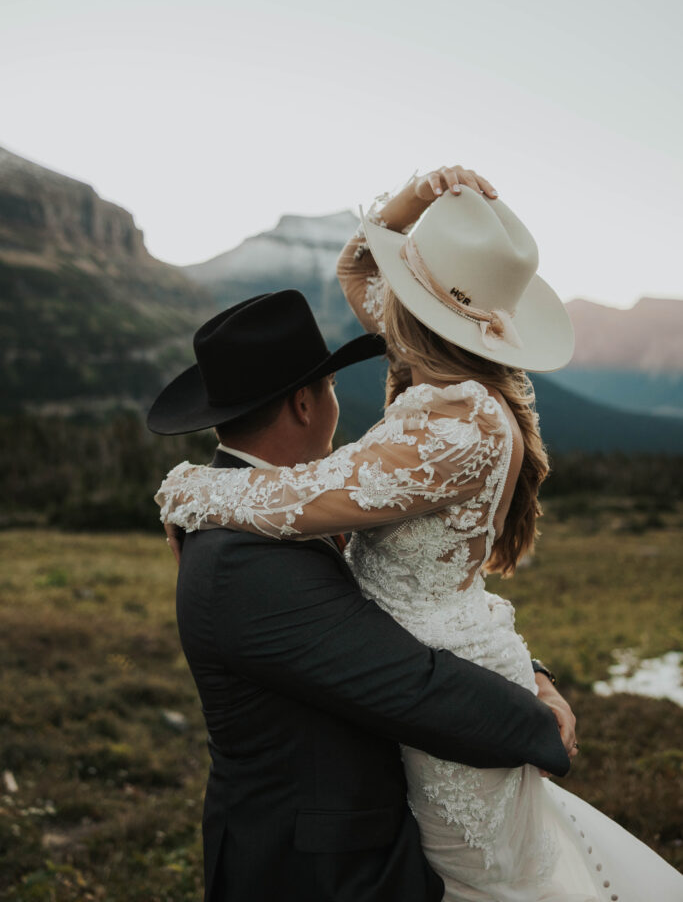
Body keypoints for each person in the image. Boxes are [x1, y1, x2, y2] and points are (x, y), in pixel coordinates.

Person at [156, 165, 683, 901]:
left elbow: (303, 497)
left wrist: (188, 489)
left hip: (434, 704)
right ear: (308, 403)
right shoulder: (447, 379)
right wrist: (418, 196)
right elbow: (403, 681)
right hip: (332, 834)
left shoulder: (453, 417)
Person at [147, 288, 575, 902]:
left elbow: (389, 608)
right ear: (304, 403)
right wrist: (540, 726)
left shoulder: (268, 513)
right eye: (327, 387)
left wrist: (531, 672)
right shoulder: (243, 559)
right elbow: (409, 683)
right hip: (316, 874)